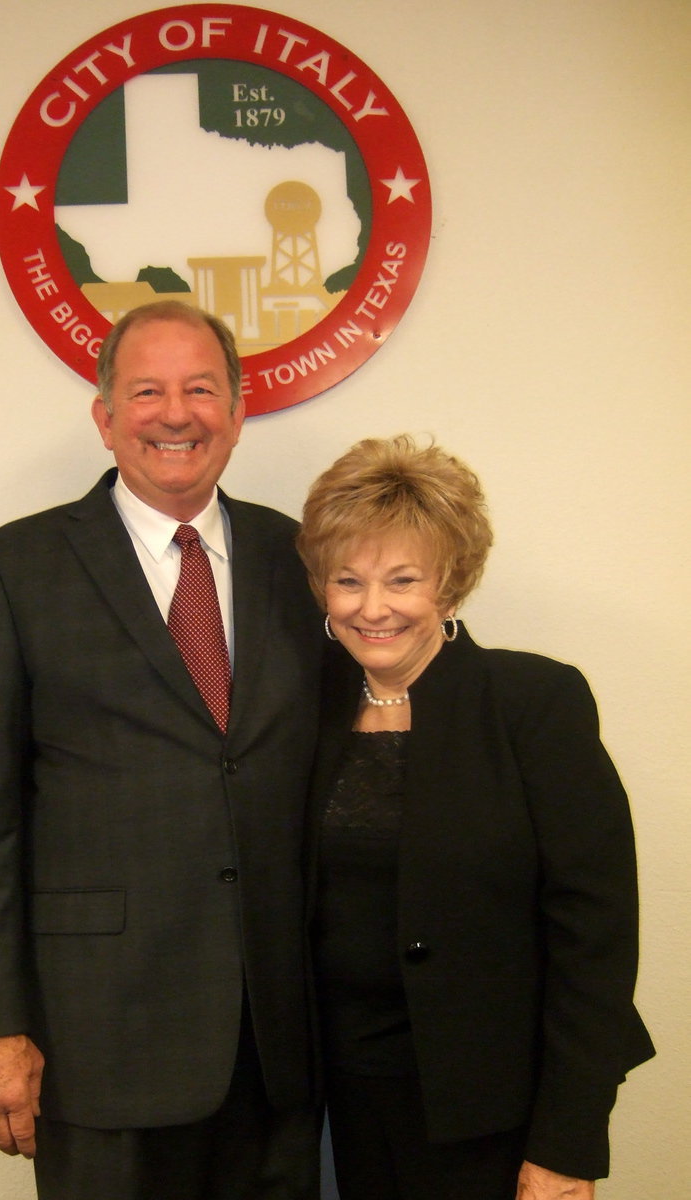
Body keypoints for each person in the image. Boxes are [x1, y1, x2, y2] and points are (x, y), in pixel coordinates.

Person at [0, 301, 324, 1200]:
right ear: (105, 415)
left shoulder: (300, 557)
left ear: (237, 408)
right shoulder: (13, 568)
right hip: (99, 1043)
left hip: (279, 1047)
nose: (176, 413)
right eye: (146, 391)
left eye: (200, 388)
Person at [295, 435, 654, 1200]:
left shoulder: (532, 704)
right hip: (336, 1109)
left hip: (492, 1113)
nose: (373, 607)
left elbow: (595, 937)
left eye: (402, 579)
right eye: (348, 580)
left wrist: (568, 1144)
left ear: (450, 587)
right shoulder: (308, 711)